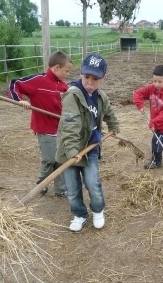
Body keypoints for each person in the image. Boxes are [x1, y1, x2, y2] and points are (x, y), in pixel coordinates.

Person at [56, 53, 119, 232]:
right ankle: (79, 214)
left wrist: (114, 125)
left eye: (95, 79)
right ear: (81, 74)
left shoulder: (100, 97)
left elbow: (108, 112)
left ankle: (98, 210)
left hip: (90, 147)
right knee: (72, 187)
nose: (89, 83)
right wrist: (71, 151)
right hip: (69, 150)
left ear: (102, 79)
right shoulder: (73, 96)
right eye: (86, 77)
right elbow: (70, 126)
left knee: (92, 182)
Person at [8, 51, 73, 197]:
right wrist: (19, 100)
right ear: (56, 67)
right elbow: (15, 83)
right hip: (44, 128)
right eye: (66, 71)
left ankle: (60, 189)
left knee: (61, 159)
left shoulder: (63, 86)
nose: (68, 74)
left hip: (60, 128)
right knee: (50, 159)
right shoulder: (39, 81)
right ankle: (42, 182)